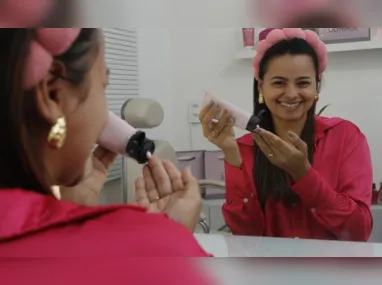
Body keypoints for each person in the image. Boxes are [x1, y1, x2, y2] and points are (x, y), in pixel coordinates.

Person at [0, 28, 216, 284]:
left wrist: (73, 213)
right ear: (52, 94)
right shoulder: (148, 251)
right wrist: (169, 242)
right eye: (103, 86)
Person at [199, 28, 373, 241]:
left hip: (333, 270)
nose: (291, 94)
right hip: (270, 271)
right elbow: (245, 236)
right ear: (261, 87)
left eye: (303, 83)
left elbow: (359, 231)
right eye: (279, 82)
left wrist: (303, 174)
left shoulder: (345, 137)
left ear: (316, 87)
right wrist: (230, 151)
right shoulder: (245, 147)